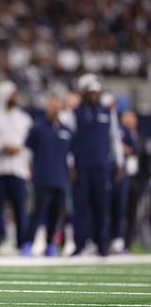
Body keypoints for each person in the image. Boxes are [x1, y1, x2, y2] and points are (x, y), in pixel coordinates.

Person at [70, 74, 124, 256]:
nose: (94, 95)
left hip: (102, 166)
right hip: (82, 166)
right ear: (84, 93)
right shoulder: (76, 113)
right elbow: (70, 140)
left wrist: (119, 163)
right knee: (81, 208)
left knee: (102, 207)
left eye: (96, 92)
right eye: (90, 92)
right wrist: (70, 165)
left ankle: (102, 246)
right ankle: (78, 245)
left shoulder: (107, 112)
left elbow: (114, 139)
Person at [23, 93, 72, 256]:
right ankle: (28, 242)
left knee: (55, 214)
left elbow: (69, 155)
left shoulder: (66, 130)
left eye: (57, 104)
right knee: (37, 212)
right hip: (42, 178)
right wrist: (29, 169)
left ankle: (50, 244)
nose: (55, 107)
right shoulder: (38, 127)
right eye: (52, 104)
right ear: (46, 107)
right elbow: (28, 151)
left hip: (60, 178)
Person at [0, 80, 32, 255]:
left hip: (18, 168)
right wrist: (2, 147)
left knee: (20, 207)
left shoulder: (23, 118)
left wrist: (19, 152)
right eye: (12, 94)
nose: (15, 97)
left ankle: (22, 244)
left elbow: (27, 144)